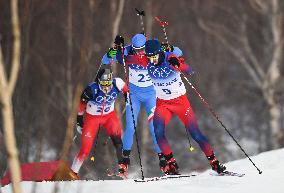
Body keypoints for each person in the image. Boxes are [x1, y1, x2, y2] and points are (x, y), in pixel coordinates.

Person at [101, 34, 183, 175]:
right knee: (131, 127)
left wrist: (167, 47)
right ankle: (124, 162)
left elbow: (179, 52)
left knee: (154, 128)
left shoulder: (153, 51)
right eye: (136, 49)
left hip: (151, 94)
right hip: (134, 95)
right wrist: (115, 47)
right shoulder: (127, 51)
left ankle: (164, 161)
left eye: (142, 49)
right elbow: (105, 59)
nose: (139, 52)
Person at [143, 39, 226, 175]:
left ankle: (214, 162)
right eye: (149, 57)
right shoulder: (147, 61)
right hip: (163, 103)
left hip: (180, 103)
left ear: (159, 53)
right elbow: (128, 60)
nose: (152, 60)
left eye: (154, 56)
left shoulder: (170, 58)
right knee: (157, 131)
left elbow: (190, 71)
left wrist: (179, 65)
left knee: (195, 133)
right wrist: (118, 49)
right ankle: (171, 164)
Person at [71, 68, 128, 175]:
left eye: (108, 84)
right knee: (85, 149)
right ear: (98, 82)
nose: (106, 87)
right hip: (92, 119)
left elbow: (127, 90)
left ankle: (123, 168)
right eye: (103, 84)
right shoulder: (91, 89)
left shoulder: (118, 83)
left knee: (118, 140)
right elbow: (81, 106)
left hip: (109, 117)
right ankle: (72, 173)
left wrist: (127, 97)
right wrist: (79, 121)